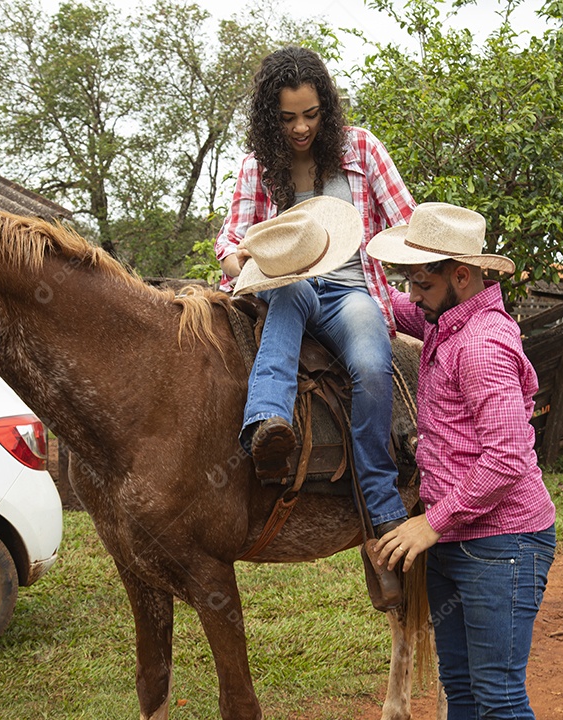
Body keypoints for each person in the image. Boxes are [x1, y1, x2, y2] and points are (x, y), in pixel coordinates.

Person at [214, 46, 416, 608]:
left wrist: (429, 268)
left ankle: (381, 514)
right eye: (286, 118)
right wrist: (238, 263)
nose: (300, 128)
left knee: (374, 366)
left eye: (310, 114)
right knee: (288, 292)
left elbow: (406, 221)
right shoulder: (258, 165)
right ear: (269, 118)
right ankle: (269, 427)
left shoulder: (364, 150)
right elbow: (232, 241)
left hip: (352, 290)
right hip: (288, 289)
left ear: (326, 108)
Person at [365, 202, 557, 719]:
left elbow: (506, 459)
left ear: (462, 276)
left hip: (502, 543)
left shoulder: (481, 345)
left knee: (498, 697)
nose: (412, 297)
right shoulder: (446, 323)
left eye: (422, 285)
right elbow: (392, 309)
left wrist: (432, 522)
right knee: (463, 691)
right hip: (459, 540)